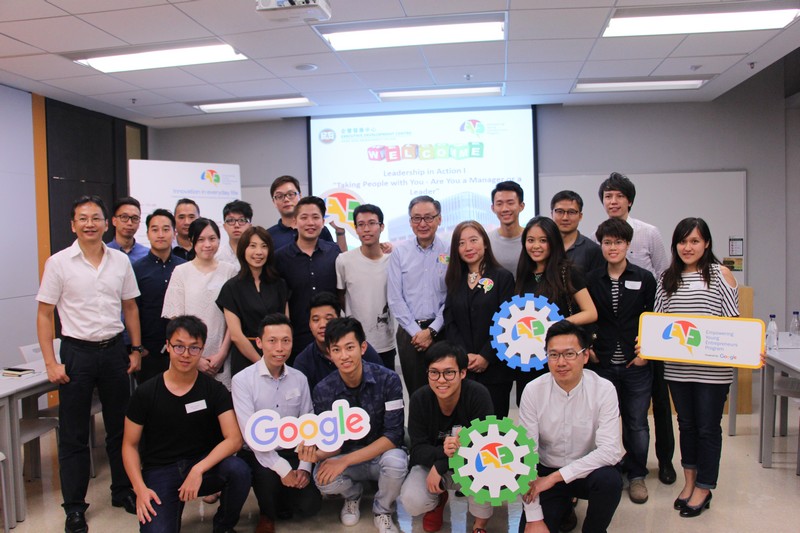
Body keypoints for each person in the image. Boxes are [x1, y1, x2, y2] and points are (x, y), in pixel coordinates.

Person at [36, 195, 143, 533]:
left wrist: (137, 349)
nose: (89, 224)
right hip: (76, 353)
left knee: (120, 429)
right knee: (74, 434)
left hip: (114, 351)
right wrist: (51, 362)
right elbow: (44, 313)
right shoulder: (58, 263)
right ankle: (75, 507)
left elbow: (130, 308)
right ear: (73, 225)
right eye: (82, 218)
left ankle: (122, 491)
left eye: (95, 217)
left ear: (106, 222)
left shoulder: (120, 262)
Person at [122, 315, 250, 533]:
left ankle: (223, 526)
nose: (186, 355)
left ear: (201, 351)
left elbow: (234, 439)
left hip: (203, 464)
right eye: (179, 347)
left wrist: (198, 470)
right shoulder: (145, 393)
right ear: (167, 347)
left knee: (239, 470)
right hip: (161, 471)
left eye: (194, 348)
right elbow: (129, 445)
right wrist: (140, 488)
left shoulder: (213, 390)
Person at [652, 217, 739, 518]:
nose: (687, 247)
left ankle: (704, 486)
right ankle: (689, 483)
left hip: (712, 371)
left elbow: (732, 322)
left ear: (707, 244)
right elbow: (658, 323)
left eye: (694, 241)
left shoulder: (720, 273)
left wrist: (749, 349)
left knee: (707, 428)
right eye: (682, 241)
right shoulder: (667, 277)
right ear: (675, 245)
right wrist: (646, 343)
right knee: (686, 426)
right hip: (677, 369)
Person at [598, 172, 675, 485]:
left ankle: (658, 466)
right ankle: (614, 468)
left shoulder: (649, 233)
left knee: (644, 414)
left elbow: (665, 282)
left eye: (619, 196)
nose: (613, 201)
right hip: (607, 352)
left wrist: (652, 345)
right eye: (608, 196)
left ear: (629, 200)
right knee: (613, 418)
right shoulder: (596, 237)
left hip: (644, 345)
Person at [298, 317, 408, 533]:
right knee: (321, 477)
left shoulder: (389, 380)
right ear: (329, 353)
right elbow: (332, 443)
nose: (344, 356)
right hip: (347, 459)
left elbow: (394, 435)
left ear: (363, 347)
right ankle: (352, 494)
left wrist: (345, 461)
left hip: (380, 455)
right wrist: (315, 455)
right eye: (336, 350)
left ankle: (383, 509)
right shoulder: (323, 390)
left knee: (397, 462)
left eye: (350, 347)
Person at [518, 321, 623, 533]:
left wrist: (556, 477)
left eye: (569, 354)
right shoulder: (532, 391)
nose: (561, 362)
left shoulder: (604, 389)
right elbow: (526, 455)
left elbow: (610, 451)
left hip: (587, 470)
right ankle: (563, 508)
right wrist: (534, 517)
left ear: (585, 356)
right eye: (553, 355)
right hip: (546, 471)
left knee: (610, 480)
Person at [585, 218, 656, 504]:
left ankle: (637, 475)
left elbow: (654, 319)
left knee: (637, 423)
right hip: (600, 365)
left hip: (635, 365)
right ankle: (610, 471)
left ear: (628, 245)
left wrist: (644, 354)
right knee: (605, 424)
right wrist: (588, 347)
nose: (612, 247)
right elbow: (584, 315)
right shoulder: (590, 279)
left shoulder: (644, 278)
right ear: (600, 244)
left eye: (618, 242)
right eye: (607, 242)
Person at [231, 313, 321, 533]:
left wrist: (304, 467)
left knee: (309, 505)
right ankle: (266, 514)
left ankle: (282, 501)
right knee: (267, 477)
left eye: (286, 341)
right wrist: (283, 470)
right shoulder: (242, 381)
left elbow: (308, 422)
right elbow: (251, 436)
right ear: (260, 342)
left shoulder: (299, 378)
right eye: (272, 341)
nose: (280, 348)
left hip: (292, 449)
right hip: (258, 451)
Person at [399, 341, 495, 533]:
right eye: (434, 372)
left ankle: (479, 525)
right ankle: (437, 499)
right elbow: (417, 450)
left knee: (489, 470)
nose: (441, 380)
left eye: (449, 372)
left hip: (472, 463)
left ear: (463, 373)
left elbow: (485, 445)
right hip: (432, 462)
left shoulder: (478, 395)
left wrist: (442, 464)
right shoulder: (419, 399)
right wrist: (442, 456)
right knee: (412, 499)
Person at [514, 216, 597, 405]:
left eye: (543, 240)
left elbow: (590, 312)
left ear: (553, 242)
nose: (536, 246)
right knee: (532, 411)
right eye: (530, 240)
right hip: (529, 359)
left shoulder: (567, 272)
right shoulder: (523, 275)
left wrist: (560, 324)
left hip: (559, 357)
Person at [443, 220, 515, 417]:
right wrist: (463, 355)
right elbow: (450, 321)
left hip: (495, 368)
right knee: (466, 428)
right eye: (461, 243)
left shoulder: (502, 277)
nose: (468, 247)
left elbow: (506, 322)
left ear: (485, 243)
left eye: (473, 240)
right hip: (463, 369)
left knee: (494, 427)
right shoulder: (455, 279)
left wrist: (485, 356)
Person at [163, 218, 237, 390]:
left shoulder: (229, 271)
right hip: (187, 356)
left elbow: (233, 318)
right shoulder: (181, 272)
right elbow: (175, 320)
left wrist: (222, 353)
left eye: (212, 239)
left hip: (222, 354)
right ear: (192, 242)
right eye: (201, 239)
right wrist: (196, 359)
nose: (207, 244)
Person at [387, 195, 448, 394]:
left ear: (439, 219)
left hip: (443, 331)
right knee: (417, 393)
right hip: (409, 334)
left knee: (445, 390)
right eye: (416, 218)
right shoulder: (399, 253)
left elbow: (452, 296)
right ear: (410, 221)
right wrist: (417, 332)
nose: (422, 223)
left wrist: (431, 331)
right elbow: (395, 298)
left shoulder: (450, 251)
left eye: (429, 217)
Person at [275, 196, 341, 361]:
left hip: (333, 337)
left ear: (323, 221)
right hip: (296, 340)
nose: (310, 222)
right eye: (304, 218)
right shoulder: (280, 258)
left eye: (316, 217)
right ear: (294, 222)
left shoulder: (334, 252)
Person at [217, 226, 289, 376]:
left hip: (278, 355)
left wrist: (276, 359)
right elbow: (235, 335)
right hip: (245, 359)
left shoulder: (279, 284)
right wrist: (262, 364)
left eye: (264, 246)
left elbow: (286, 324)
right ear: (243, 249)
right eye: (252, 246)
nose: (258, 252)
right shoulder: (231, 287)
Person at [336, 203, 397, 370]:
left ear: (382, 226)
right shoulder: (344, 260)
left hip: (385, 341)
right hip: (355, 342)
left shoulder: (392, 261)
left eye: (372, 223)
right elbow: (341, 296)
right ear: (355, 229)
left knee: (388, 390)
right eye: (361, 225)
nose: (366, 229)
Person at [133, 209, 187, 384]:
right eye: (155, 229)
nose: (161, 234)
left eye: (166, 229)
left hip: (182, 348)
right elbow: (132, 309)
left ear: (174, 233)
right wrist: (139, 348)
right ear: (147, 233)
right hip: (149, 350)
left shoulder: (185, 267)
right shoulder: (136, 269)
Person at [292, 292, 384, 392]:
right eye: (316, 319)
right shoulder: (303, 362)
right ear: (309, 324)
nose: (322, 324)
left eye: (328, 318)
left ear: (339, 319)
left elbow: (382, 383)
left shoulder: (361, 349)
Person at [267, 175, 346, 251]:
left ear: (300, 196)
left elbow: (339, 260)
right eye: (280, 196)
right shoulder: (268, 236)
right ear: (274, 201)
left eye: (291, 194)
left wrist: (340, 232)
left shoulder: (318, 229)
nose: (286, 199)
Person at [550, 191, 604, 274]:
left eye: (571, 212)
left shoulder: (593, 250)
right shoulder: (544, 246)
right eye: (560, 211)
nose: (565, 218)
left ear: (580, 216)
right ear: (551, 214)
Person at [488, 181, 526, 278]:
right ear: (493, 208)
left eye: (510, 203)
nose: (505, 209)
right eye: (499, 204)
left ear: (521, 206)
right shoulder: (487, 240)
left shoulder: (532, 239)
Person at [108, 196, 149, 263]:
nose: (129, 223)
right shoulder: (104, 252)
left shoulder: (147, 254)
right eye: (124, 217)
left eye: (135, 218)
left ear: (139, 223)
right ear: (114, 221)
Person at [217, 200, 253, 270]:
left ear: (250, 226)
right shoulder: (217, 255)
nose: (236, 225)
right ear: (224, 226)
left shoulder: (256, 253)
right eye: (231, 220)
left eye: (242, 220)